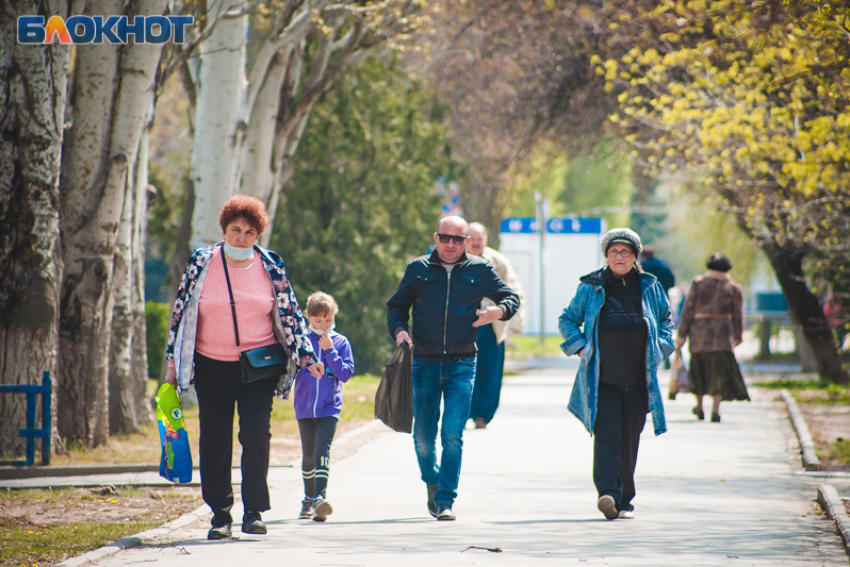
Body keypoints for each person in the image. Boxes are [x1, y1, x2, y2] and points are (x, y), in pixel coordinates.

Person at [165, 194, 324, 540]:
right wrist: (171, 365)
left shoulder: (271, 265)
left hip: (259, 366)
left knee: (255, 436)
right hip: (211, 365)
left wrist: (308, 357)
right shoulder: (201, 263)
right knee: (214, 440)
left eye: (250, 232)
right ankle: (220, 514)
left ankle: (254, 511)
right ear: (224, 230)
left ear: (258, 235)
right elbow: (179, 316)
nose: (242, 238)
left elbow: (291, 315)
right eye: (235, 230)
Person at [387, 215, 520, 521]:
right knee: (422, 436)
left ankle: (446, 500)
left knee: (452, 434)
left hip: (462, 362)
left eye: (457, 239)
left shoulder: (480, 269)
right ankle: (433, 482)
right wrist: (400, 332)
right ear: (436, 237)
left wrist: (498, 311)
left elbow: (511, 297)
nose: (450, 244)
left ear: (465, 241)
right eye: (445, 238)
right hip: (424, 362)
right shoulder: (418, 270)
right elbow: (396, 308)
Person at [558, 228, 674, 521]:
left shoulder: (649, 286)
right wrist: (581, 348)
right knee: (607, 435)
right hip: (603, 378)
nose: (619, 257)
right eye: (613, 252)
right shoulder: (591, 286)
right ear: (606, 256)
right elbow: (568, 319)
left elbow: (665, 320)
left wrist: (659, 349)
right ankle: (607, 493)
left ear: (636, 256)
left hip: (638, 379)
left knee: (630, 439)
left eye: (625, 252)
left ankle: (625, 501)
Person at [293, 291, 355, 522]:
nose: (324, 324)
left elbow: (345, 374)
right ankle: (308, 499)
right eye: (318, 321)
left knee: (322, 450)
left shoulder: (340, 341)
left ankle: (320, 498)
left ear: (334, 316)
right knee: (308, 454)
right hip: (305, 407)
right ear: (308, 317)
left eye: (328, 320)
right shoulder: (302, 342)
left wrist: (330, 350)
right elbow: (292, 369)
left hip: (330, 407)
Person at [675, 253, 749, 423]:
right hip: (723, 334)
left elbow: (687, 310)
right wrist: (737, 336)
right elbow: (738, 315)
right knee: (720, 374)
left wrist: (682, 334)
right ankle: (716, 410)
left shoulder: (698, 283)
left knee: (699, 370)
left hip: (699, 334)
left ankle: (699, 406)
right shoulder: (733, 287)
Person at [466, 222, 525, 429]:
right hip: (464, 324)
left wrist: (516, 321)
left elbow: (515, 292)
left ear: (485, 240)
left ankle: (482, 415)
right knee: (462, 369)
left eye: (479, 239)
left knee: (489, 371)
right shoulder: (456, 259)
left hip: (491, 325)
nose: (475, 243)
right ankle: (463, 412)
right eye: (471, 238)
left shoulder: (498, 261)